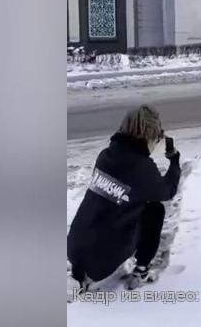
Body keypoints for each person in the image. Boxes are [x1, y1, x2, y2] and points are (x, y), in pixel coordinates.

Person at [67, 105, 181, 292]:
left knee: (118, 204)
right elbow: (166, 191)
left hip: (74, 247)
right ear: (149, 135)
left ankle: (81, 275)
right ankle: (141, 270)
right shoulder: (141, 168)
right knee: (154, 209)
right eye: (158, 136)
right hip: (102, 260)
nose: (158, 140)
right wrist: (174, 162)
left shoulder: (105, 156)